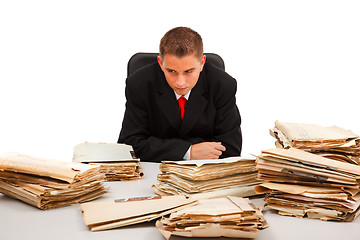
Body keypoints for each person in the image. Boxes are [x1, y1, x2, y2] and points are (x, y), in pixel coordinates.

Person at [118, 27, 242, 162]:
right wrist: (188, 151)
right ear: (160, 63)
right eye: (171, 71)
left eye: (189, 71)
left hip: (204, 177)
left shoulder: (222, 85)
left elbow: (231, 148)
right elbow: (129, 146)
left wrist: (159, 145)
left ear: (202, 63)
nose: (180, 82)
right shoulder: (139, 84)